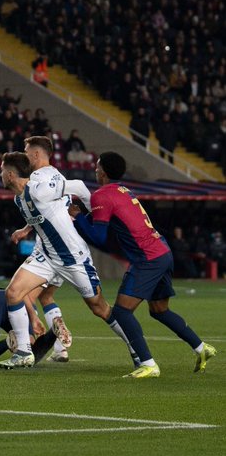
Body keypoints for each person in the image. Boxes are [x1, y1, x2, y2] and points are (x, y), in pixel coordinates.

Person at [0, 144, 139, 372]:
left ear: (11, 174)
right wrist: (26, 229)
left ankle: (137, 349)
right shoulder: (19, 199)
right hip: (47, 256)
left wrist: (95, 216)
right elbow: (43, 215)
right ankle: (23, 353)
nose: (0, 174)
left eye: (2, 170)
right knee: (13, 293)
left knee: (99, 308)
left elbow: (79, 186)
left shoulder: (39, 190)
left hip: (73, 257)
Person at [72, 152, 217, 376]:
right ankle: (201, 348)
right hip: (162, 251)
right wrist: (83, 216)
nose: (95, 170)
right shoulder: (123, 190)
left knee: (122, 311)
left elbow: (99, 238)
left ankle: (148, 364)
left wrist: (77, 218)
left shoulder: (101, 195)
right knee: (159, 310)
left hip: (147, 258)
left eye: (97, 166)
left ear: (103, 172)